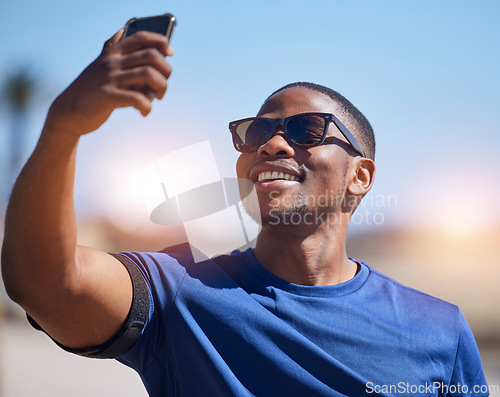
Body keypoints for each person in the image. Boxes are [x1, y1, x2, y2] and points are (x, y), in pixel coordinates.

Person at [1, 29, 489, 397]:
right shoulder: (179, 292)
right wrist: (63, 128)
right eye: (256, 132)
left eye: (307, 128)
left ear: (360, 177)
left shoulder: (440, 330)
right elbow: (46, 283)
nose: (273, 142)